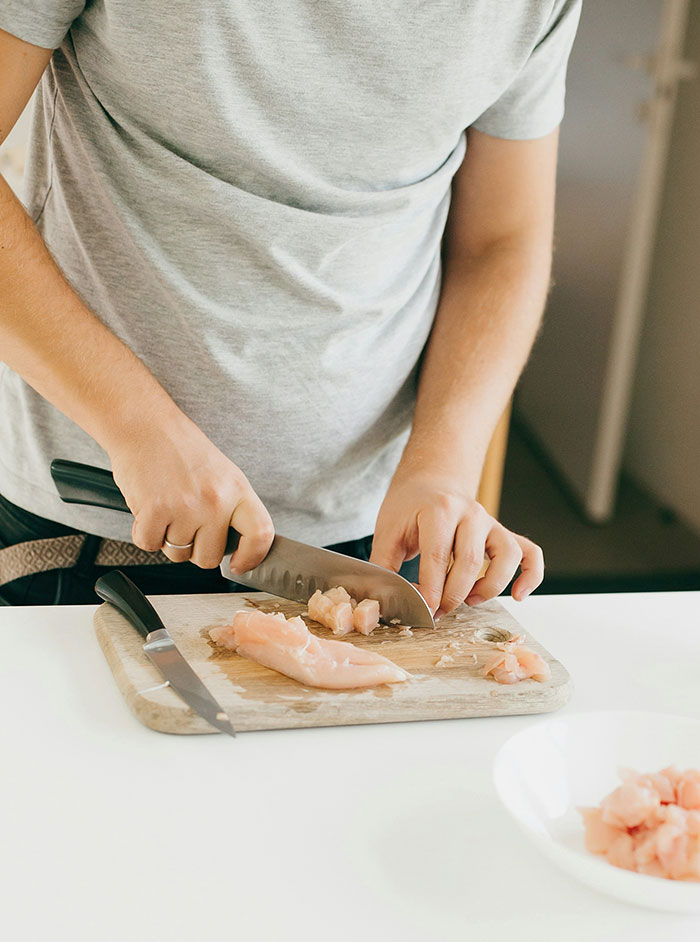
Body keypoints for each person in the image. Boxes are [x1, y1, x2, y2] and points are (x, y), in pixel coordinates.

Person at [0, 2, 580, 609]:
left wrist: (444, 463)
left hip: (375, 535)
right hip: (99, 517)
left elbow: (501, 241)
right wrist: (138, 427)